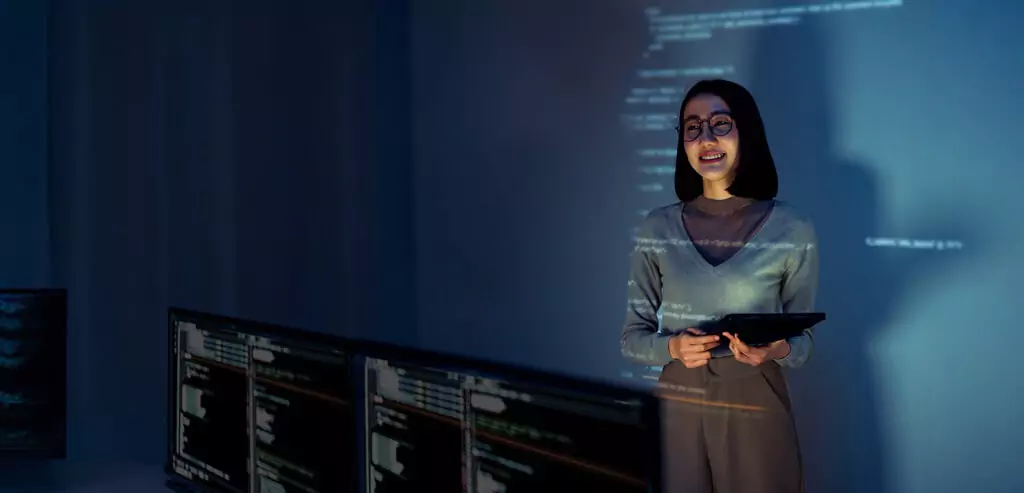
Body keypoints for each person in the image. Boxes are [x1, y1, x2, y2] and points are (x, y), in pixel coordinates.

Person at [621, 79, 818, 493]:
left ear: (745, 131)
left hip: (756, 406)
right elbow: (631, 339)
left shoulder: (792, 227)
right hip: (677, 408)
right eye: (692, 127)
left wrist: (776, 348)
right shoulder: (656, 227)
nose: (705, 138)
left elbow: (803, 343)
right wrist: (672, 348)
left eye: (720, 123)